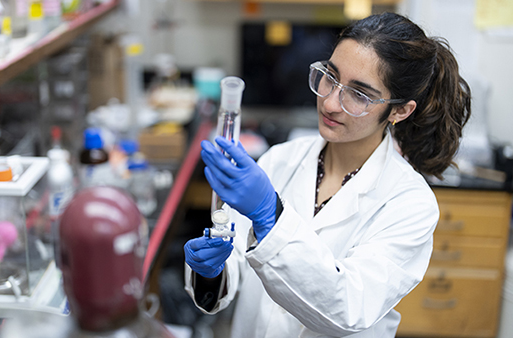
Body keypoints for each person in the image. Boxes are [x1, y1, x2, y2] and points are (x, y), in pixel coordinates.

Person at [184, 12, 471, 338]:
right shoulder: (282, 159)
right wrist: (210, 271)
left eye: (359, 94)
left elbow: (348, 307)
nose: (331, 102)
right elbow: (232, 263)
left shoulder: (409, 203)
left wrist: (271, 218)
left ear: (399, 111)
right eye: (330, 77)